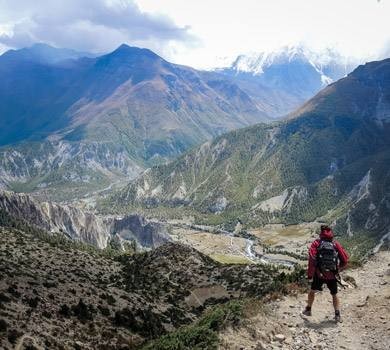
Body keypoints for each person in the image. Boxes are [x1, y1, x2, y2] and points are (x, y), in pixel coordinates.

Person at [302, 225, 349, 322]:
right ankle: (337, 314)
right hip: (332, 274)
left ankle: (308, 310)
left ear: (321, 233)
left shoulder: (316, 243)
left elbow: (312, 260)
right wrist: (337, 269)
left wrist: (310, 275)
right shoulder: (335, 244)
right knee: (334, 294)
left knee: (312, 291)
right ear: (331, 233)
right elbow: (344, 260)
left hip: (319, 274)